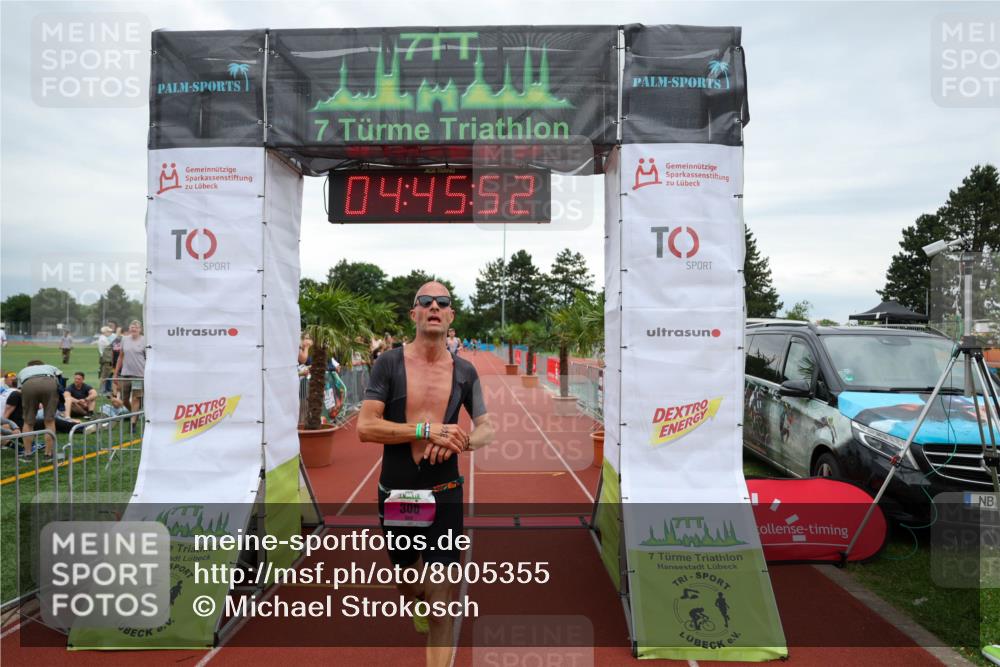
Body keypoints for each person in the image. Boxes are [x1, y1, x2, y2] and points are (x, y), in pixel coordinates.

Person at [357, 282, 494, 667]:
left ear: (451, 316)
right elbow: (366, 427)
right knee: (408, 583)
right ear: (414, 314)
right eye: (425, 301)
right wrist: (424, 430)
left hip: (445, 490)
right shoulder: (389, 363)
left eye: (443, 302)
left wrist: (462, 441)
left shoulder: (465, 372)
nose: (434, 306)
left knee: (440, 604)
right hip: (400, 494)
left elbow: (487, 428)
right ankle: (413, 594)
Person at [16, 360, 63, 459]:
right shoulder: (50, 366)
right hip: (49, 383)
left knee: (28, 422)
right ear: (42, 364)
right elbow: (60, 378)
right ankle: (48, 454)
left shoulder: (23, 370)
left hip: (28, 384)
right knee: (49, 421)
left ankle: (27, 453)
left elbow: (20, 390)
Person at [114, 320, 146, 416]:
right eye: (132, 327)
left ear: (140, 329)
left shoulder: (145, 340)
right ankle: (135, 414)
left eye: (136, 327)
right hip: (125, 374)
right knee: (123, 400)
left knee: (136, 398)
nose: (134, 329)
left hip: (139, 375)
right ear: (129, 329)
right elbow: (120, 357)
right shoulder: (124, 339)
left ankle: (133, 423)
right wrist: (116, 374)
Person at [97, 326, 116, 393]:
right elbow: (111, 346)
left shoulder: (103, 338)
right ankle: (101, 391)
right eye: (108, 331)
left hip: (105, 359)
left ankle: (105, 390)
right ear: (104, 332)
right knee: (104, 376)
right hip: (106, 360)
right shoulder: (103, 339)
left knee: (106, 375)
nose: (110, 333)